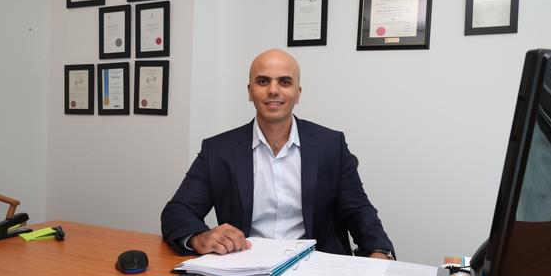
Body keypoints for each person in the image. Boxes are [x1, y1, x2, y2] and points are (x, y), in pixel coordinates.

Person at [161, 49, 394, 260]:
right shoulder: (218, 150)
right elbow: (178, 211)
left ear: (297, 92)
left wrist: (379, 252)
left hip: (315, 269)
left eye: (284, 81)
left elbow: (359, 211)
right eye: (263, 81)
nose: (273, 90)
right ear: (250, 91)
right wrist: (200, 238)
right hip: (245, 270)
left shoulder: (331, 145)